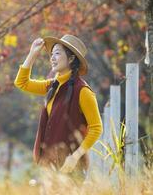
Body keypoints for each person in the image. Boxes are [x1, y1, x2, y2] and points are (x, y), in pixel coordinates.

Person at [14, 34, 103, 192]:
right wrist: (32, 54)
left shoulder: (83, 91)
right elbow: (21, 83)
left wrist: (75, 157)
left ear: (70, 59)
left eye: (57, 53)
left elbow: (96, 128)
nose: (52, 58)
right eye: (51, 54)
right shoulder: (52, 86)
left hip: (72, 168)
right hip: (49, 166)